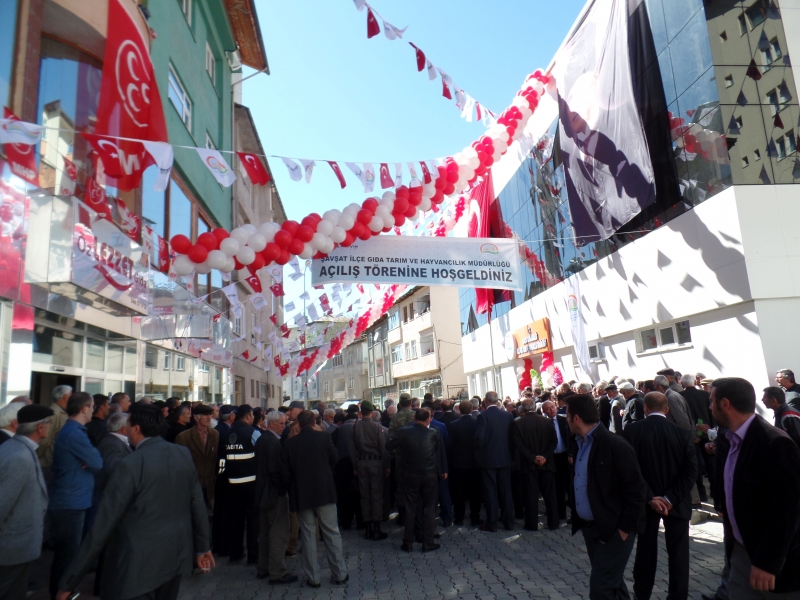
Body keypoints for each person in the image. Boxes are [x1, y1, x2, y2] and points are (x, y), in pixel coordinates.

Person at [56, 404, 213, 600]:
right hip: (174, 558)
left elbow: (102, 526)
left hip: (136, 566)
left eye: (128, 423)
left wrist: (69, 582)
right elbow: (197, 504)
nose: (126, 428)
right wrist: (202, 547)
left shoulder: (129, 464)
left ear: (136, 428)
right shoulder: (182, 454)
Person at [710, 377, 800, 597]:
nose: (709, 407)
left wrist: (768, 562)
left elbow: (788, 510)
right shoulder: (728, 440)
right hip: (740, 551)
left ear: (725, 404)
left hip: (777, 563)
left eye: (711, 401)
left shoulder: (774, 442)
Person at [566, 394, 646, 600]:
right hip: (591, 527)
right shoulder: (578, 443)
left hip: (614, 529)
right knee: (613, 583)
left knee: (601, 587)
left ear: (576, 418)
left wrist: (624, 529)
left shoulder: (614, 445)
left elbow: (636, 490)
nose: (565, 420)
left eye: (567, 415)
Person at [623, 392, 697, 600]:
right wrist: (671, 498)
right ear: (667, 409)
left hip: (647, 503)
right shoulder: (682, 433)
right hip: (677, 502)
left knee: (645, 551)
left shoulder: (632, 430)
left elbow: (630, 469)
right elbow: (691, 471)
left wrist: (651, 497)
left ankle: (642, 594)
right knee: (679, 554)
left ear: (645, 408)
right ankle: (678, 595)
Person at [283, 411, 348, 587]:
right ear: (314, 422)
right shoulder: (324, 438)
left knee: (308, 535)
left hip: (302, 495)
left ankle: (313, 577)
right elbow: (334, 459)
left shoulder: (290, 445)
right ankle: (340, 573)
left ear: (297, 424)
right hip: (324, 491)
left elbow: (286, 474)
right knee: (331, 532)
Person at [49, 392, 103, 599]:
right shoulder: (74, 433)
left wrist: (88, 460)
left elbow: (93, 461)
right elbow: (98, 462)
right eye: (91, 407)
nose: (93, 410)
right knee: (68, 554)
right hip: (70, 502)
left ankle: (63, 590)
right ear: (84, 409)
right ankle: (62, 593)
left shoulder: (74, 431)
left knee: (68, 552)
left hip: (72, 499)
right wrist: (89, 460)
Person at [0, 405, 52, 600]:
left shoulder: (17, 448)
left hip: (16, 546)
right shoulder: (19, 456)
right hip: (11, 548)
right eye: (49, 423)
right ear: (40, 427)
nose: (50, 427)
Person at [387, 408, 444, 552]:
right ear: (428, 420)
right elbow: (435, 449)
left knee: (410, 508)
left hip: (410, 475)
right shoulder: (433, 432)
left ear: (414, 418)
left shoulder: (403, 431)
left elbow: (389, 445)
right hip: (429, 475)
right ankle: (428, 542)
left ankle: (408, 542)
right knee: (429, 509)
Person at [254, 411, 297, 584]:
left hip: (262, 492)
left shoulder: (262, 439)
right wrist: (282, 490)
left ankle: (263, 567)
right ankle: (277, 572)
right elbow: (275, 470)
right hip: (272, 493)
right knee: (278, 532)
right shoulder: (273, 442)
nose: (284, 426)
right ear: (271, 424)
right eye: (281, 423)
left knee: (265, 532)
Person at [219, 404, 260, 564]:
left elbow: (222, 459)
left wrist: (222, 477)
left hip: (232, 483)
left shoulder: (228, 433)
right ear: (248, 415)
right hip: (251, 482)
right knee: (252, 521)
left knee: (235, 519)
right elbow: (261, 452)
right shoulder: (253, 433)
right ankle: (253, 555)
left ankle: (235, 552)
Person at [512, 403, 559, 531]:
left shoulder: (518, 423)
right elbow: (554, 442)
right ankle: (554, 522)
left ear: (523, 410)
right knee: (550, 495)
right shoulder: (547, 421)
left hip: (528, 464)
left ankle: (531, 524)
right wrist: (544, 456)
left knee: (530, 495)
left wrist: (533, 457)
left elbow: (519, 445)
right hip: (547, 463)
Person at [475, 391, 515, 532]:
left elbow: (480, 438)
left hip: (488, 460)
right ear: (497, 400)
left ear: (485, 401)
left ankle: (492, 523)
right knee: (506, 491)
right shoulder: (508, 416)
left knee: (490, 491)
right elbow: (512, 437)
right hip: (505, 458)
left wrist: (480, 453)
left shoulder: (483, 416)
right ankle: (508, 522)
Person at [349, 400, 389, 541]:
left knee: (364, 496)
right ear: (371, 412)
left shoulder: (356, 427)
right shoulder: (377, 427)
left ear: (361, 412)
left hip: (361, 463)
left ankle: (368, 529)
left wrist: (355, 466)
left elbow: (352, 448)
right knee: (376, 495)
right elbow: (383, 448)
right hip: (376, 463)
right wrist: (387, 465)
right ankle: (377, 529)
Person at [175, 404, 219, 515]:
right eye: (205, 415)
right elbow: (179, 464)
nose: (209, 417)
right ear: (196, 418)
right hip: (193, 484)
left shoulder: (215, 434)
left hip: (210, 485)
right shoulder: (183, 437)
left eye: (210, 415)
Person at [680, 373, 715, 502]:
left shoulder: (681, 396)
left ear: (682, 384)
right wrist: (711, 429)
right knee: (710, 463)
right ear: (694, 382)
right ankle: (714, 489)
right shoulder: (705, 395)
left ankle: (701, 493)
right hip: (706, 430)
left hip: (692, 433)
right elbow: (711, 414)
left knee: (695, 465)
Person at [448, 400, 482, 527]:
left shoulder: (454, 425)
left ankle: (459, 518)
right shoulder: (477, 423)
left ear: (460, 410)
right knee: (475, 492)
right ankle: (475, 518)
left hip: (459, 463)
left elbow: (452, 444)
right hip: (474, 462)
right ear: (472, 408)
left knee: (459, 493)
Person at [330, 405, 362, 530]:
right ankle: (360, 522)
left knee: (343, 495)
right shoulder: (358, 428)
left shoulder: (338, 429)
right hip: (357, 464)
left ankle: (346, 522)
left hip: (341, 465)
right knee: (358, 494)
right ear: (356, 419)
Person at [542, 400, 572, 522]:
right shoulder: (544, 423)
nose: (552, 410)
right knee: (557, 486)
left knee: (570, 485)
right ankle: (561, 513)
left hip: (566, 456)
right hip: (553, 458)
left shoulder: (564, 420)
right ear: (544, 411)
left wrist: (571, 454)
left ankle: (574, 514)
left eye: (553, 407)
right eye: (548, 409)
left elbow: (570, 438)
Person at [37, 384, 72, 471]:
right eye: (71, 396)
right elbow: (44, 440)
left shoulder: (62, 412)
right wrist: (37, 458)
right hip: (47, 465)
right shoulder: (54, 413)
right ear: (65, 397)